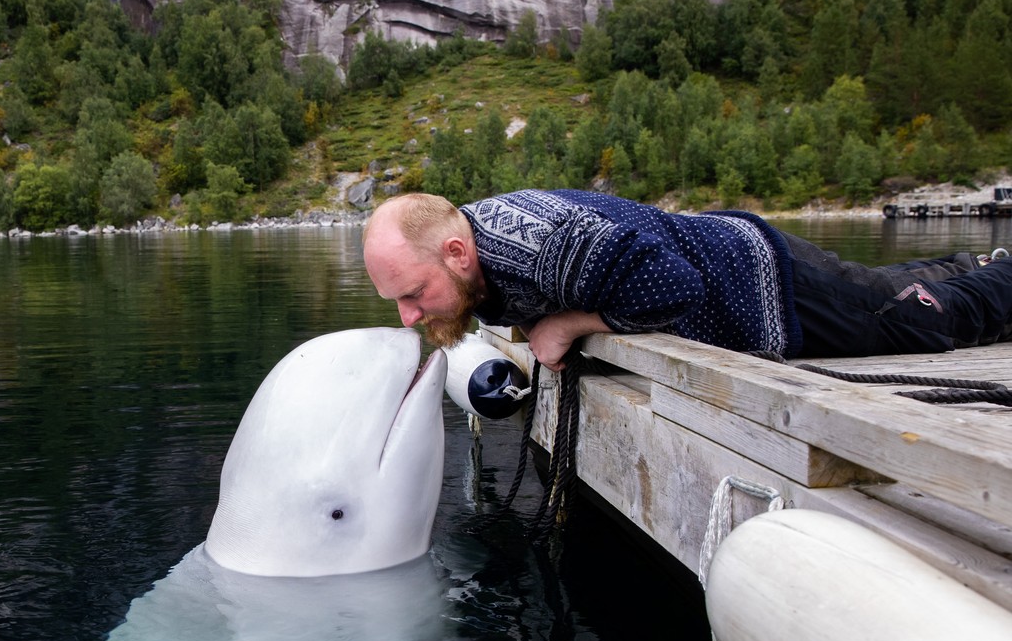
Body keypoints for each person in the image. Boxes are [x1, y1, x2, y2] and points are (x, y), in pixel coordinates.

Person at [362, 189, 1012, 371]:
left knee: (916, 321)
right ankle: (967, 266)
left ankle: (999, 280)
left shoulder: (540, 246)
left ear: (457, 250)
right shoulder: (478, 266)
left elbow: (674, 289)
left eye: (414, 294)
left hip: (761, 282)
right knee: (874, 288)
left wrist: (567, 322)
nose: (408, 317)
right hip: (742, 261)